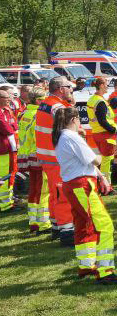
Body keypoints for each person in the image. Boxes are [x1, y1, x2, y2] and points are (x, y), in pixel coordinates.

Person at [52, 106, 117, 284]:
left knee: (83, 224)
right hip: (81, 185)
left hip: (75, 183)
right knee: (104, 225)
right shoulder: (72, 137)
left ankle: (86, 265)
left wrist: (100, 176)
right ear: (75, 119)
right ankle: (106, 271)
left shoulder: (62, 136)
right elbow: (95, 160)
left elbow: (85, 163)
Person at [35, 76, 76, 246]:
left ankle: (56, 226)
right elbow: (71, 128)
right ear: (60, 89)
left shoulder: (46, 103)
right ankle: (67, 232)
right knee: (62, 194)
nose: (71, 89)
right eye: (69, 87)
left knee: (54, 193)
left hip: (47, 157)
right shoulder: (57, 107)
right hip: (56, 157)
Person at [18, 87, 46, 232]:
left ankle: (33, 222)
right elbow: (39, 138)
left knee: (34, 191)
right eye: (44, 98)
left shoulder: (25, 113)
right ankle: (43, 223)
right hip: (39, 156)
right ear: (39, 100)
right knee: (43, 191)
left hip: (27, 156)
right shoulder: (38, 114)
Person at [85, 76, 117, 186]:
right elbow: (103, 121)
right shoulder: (100, 101)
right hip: (105, 134)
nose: (108, 87)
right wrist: (113, 130)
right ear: (102, 86)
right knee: (106, 161)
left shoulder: (92, 99)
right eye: (107, 84)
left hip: (97, 133)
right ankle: (106, 185)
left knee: (104, 160)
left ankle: (102, 183)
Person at [0, 87, 17, 213]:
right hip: (2, 149)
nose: (9, 100)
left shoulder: (6, 110)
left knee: (9, 174)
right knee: (3, 177)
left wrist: (11, 128)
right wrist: (11, 128)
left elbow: (14, 125)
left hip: (8, 148)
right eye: (6, 98)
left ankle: (9, 202)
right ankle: (4, 205)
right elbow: (7, 128)